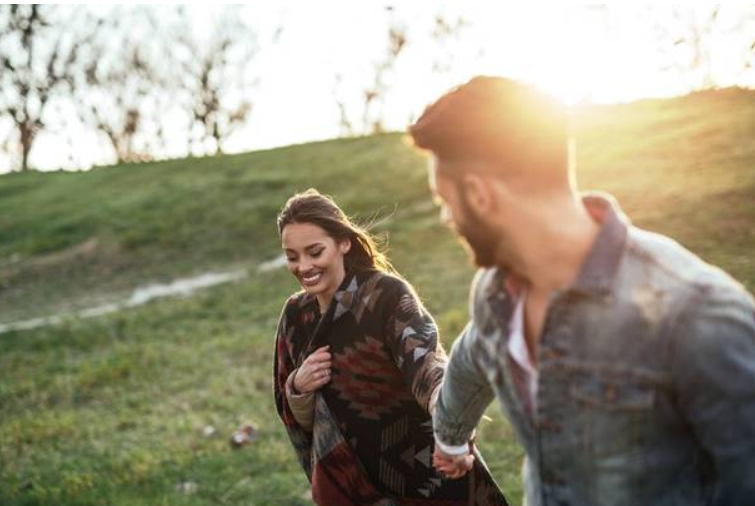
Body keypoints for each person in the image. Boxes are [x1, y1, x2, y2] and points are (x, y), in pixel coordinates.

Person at [408, 76, 755, 506]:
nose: (446, 217)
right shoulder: (496, 292)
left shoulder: (695, 315)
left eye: (445, 199)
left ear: (480, 195)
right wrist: (450, 439)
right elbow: (471, 358)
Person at [273, 189, 508, 506]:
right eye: (292, 256)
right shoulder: (295, 317)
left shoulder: (385, 295)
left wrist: (451, 419)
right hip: (352, 487)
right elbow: (291, 414)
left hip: (427, 477)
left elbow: (425, 364)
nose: (304, 266)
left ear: (343, 242)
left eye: (315, 252)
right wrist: (298, 389)